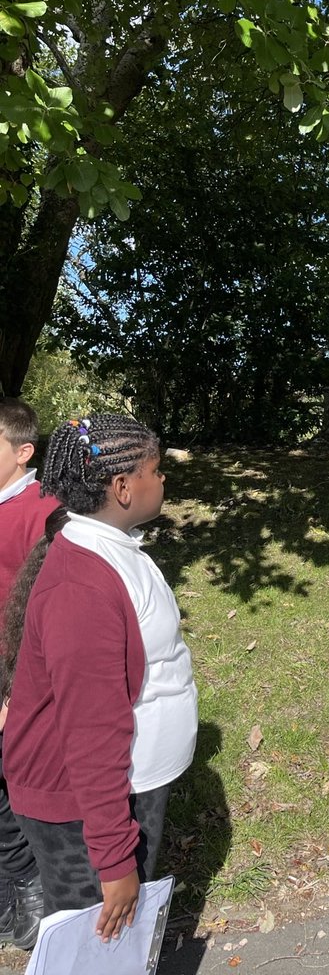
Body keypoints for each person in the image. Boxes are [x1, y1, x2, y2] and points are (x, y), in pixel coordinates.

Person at [3, 414, 198, 943]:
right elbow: (91, 735)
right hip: (82, 810)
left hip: (125, 787)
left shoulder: (112, 546)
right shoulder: (81, 586)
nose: (163, 479)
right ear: (122, 487)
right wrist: (113, 862)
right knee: (95, 944)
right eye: (155, 470)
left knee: (117, 943)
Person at [0, 399, 59, 949]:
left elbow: (47, 611)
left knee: (14, 781)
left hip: (15, 676)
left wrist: (15, 691)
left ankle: (29, 884)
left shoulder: (43, 511)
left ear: (23, 452)